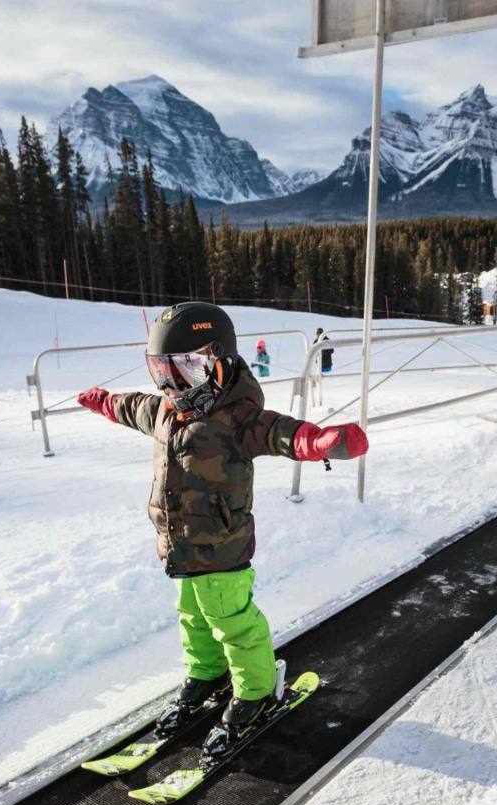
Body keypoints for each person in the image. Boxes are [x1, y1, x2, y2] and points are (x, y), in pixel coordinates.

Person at [76, 302, 368, 757]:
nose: (173, 386)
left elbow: (283, 433)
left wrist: (320, 441)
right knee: (192, 616)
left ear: (220, 362)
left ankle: (255, 689)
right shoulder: (164, 412)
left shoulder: (238, 417)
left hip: (224, 547)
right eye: (162, 373)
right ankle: (208, 671)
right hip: (179, 547)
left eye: (186, 372)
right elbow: (131, 406)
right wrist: (104, 402)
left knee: (232, 621)